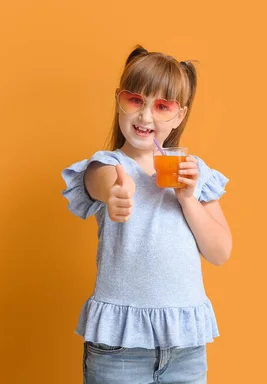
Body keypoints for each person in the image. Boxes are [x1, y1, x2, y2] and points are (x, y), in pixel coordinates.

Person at [61, 45, 232, 384]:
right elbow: (102, 182)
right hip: (120, 348)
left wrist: (188, 200)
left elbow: (220, 252)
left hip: (185, 347)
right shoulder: (109, 165)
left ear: (179, 115)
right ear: (119, 101)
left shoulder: (194, 173)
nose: (146, 116)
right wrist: (115, 194)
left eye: (162, 106)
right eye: (135, 100)